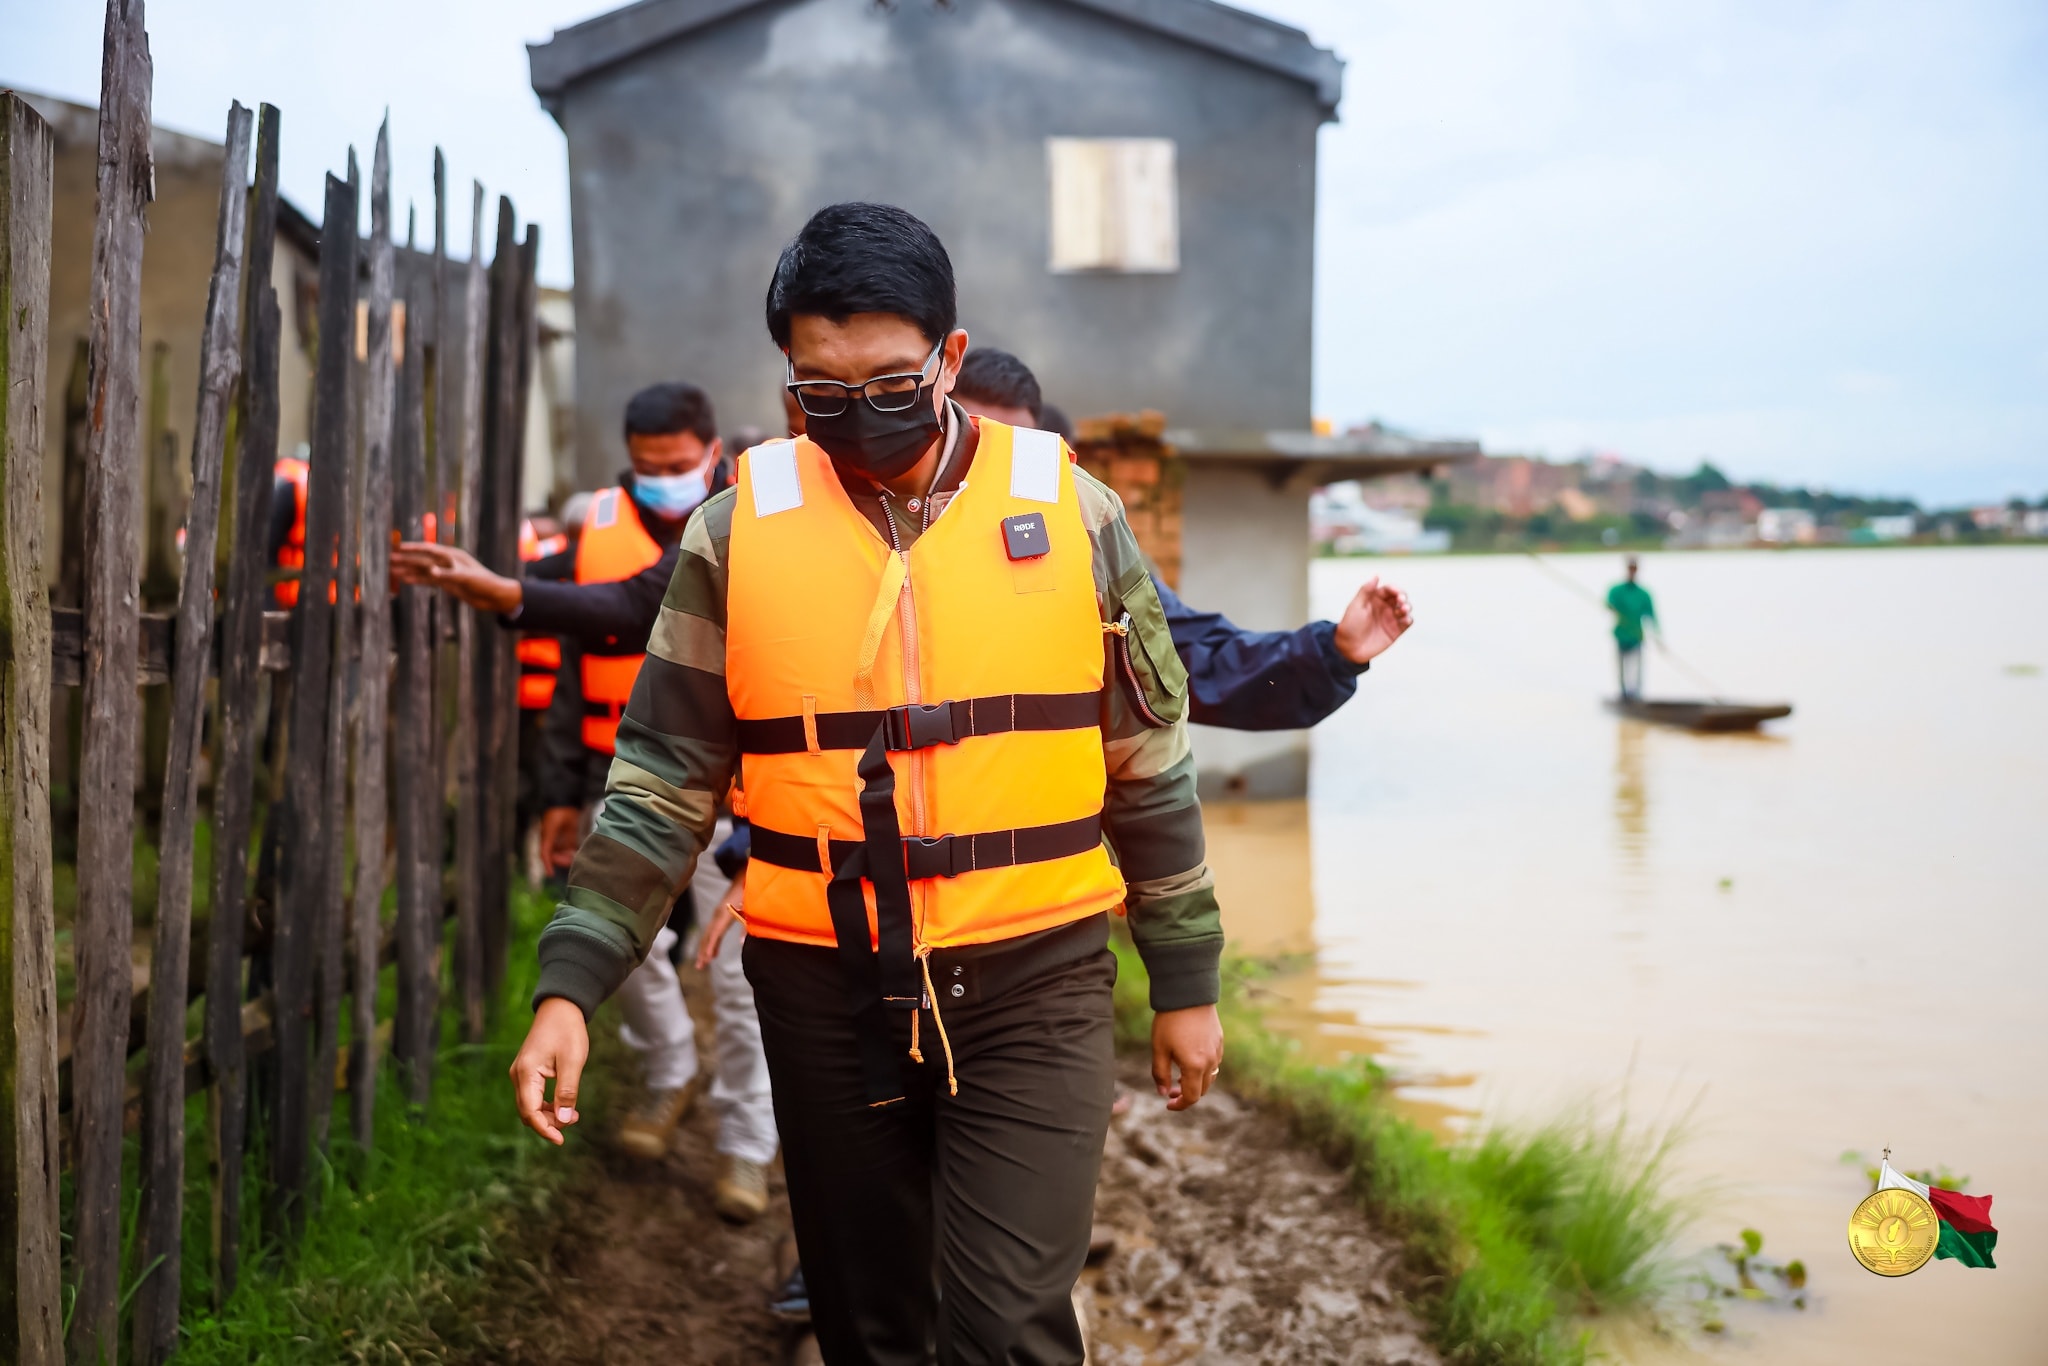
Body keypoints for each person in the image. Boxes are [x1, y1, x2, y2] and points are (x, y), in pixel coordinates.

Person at [510, 202, 1237, 1363]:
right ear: (789, 378)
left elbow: (1146, 764)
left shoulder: (1075, 513)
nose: (858, 413)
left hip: (1036, 975)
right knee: (868, 1326)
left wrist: (1184, 980)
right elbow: (659, 781)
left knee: (1004, 1326)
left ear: (948, 358)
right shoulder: (733, 534)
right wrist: (571, 984)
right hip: (819, 987)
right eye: (821, 389)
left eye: (891, 381)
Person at [392, 384, 778, 1224]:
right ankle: (671, 1073)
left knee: (748, 980)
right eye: (650, 468)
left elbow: (632, 605)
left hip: (745, 802)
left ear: (711, 451)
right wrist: (563, 789)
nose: (665, 481)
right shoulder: (600, 530)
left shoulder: (756, 518)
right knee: (606, 938)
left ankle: (749, 1145)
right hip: (629, 781)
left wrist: (508, 595)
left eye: (680, 467)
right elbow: (589, 644)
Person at [950, 346, 1408, 730]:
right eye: (975, 445)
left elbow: (1197, 661)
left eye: (1014, 452)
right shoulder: (882, 553)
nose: (993, 469)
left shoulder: (1090, 559)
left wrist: (1334, 652)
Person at [1606, 556, 1658, 699]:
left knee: (1637, 669)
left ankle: (1637, 696)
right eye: (1630, 568)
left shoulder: (1644, 594)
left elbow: (1652, 616)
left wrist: (1658, 638)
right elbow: (1608, 604)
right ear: (1626, 569)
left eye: (1634, 569)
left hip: (1636, 636)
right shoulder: (1616, 590)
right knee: (1621, 668)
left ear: (1637, 570)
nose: (1632, 571)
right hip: (1621, 635)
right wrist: (1612, 608)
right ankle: (1623, 695)